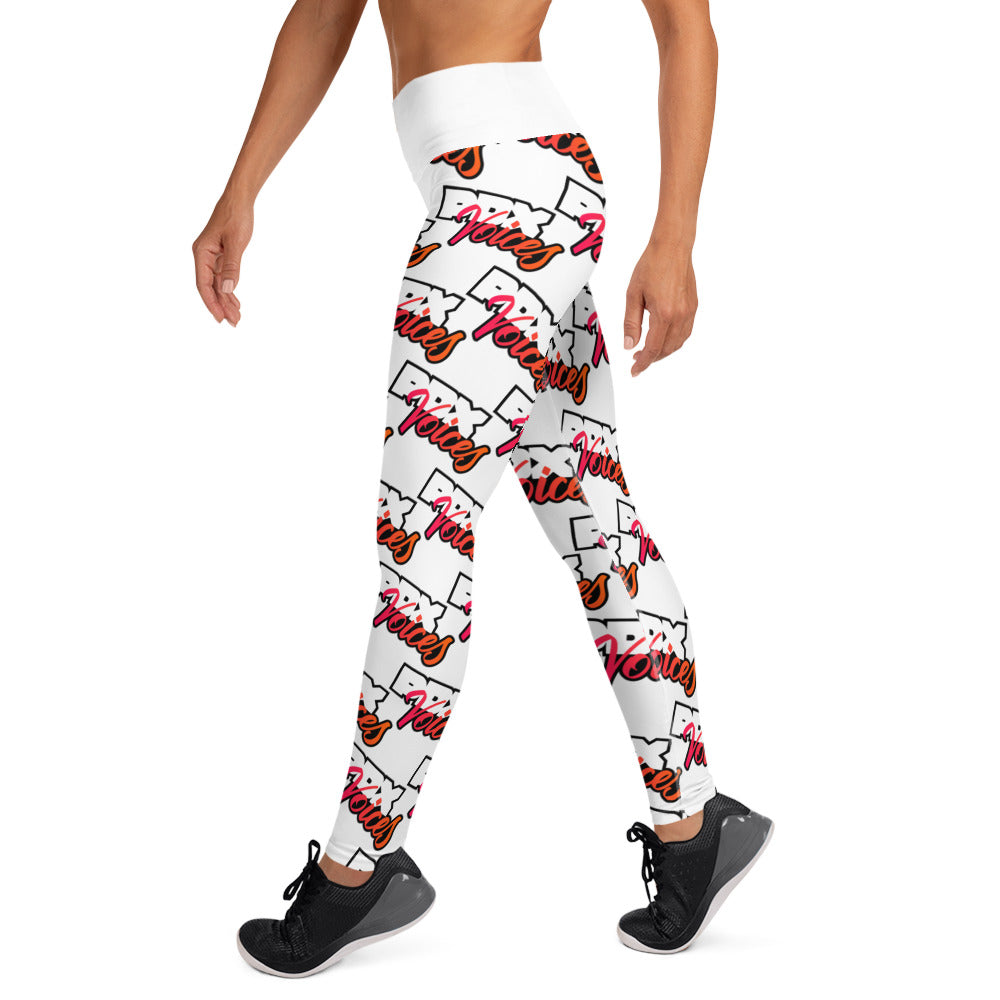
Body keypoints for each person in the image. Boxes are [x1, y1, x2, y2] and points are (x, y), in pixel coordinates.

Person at [193, 0, 772, 976]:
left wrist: (675, 235)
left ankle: (356, 867)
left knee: (422, 543)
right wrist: (240, 188)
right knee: (594, 518)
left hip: (505, 202)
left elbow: (686, 25)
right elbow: (326, 11)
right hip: (499, 191)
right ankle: (693, 825)